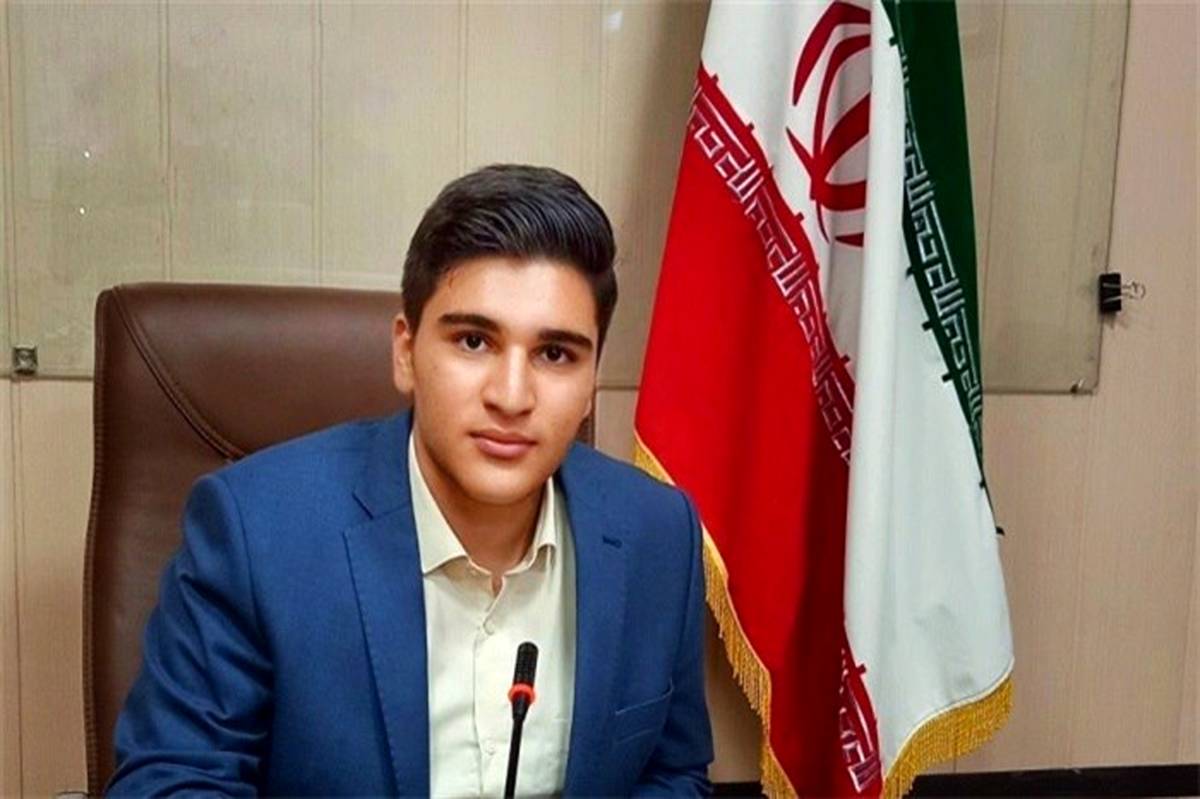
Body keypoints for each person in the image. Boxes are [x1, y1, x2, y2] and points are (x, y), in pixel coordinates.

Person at [107, 164, 714, 796]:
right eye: (474, 342)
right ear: (406, 351)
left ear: (591, 382)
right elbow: (174, 781)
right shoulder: (254, 531)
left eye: (555, 354)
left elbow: (670, 774)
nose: (512, 396)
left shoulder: (658, 534)